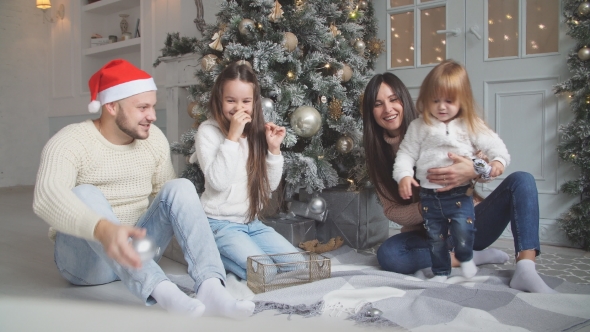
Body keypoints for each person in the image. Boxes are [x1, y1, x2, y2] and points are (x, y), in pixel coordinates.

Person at [33, 59, 256, 319]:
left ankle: (211, 287)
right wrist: (104, 230)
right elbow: (46, 197)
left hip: (139, 253)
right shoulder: (70, 141)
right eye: (142, 108)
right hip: (85, 265)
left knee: (180, 187)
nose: (152, 115)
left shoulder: (153, 140)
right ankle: (162, 290)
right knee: (85, 193)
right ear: (112, 106)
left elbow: (172, 206)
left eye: (152, 106)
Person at [362, 69, 557, 293]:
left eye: (393, 99)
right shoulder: (378, 155)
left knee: (522, 181)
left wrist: (472, 169)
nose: (388, 109)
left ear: (404, 100)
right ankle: (469, 257)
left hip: (468, 219)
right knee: (389, 255)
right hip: (430, 232)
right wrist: (429, 207)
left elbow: (487, 161)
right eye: (378, 104)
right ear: (371, 112)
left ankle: (525, 268)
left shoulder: (436, 124)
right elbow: (391, 211)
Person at [392, 60, 510, 282]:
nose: (441, 107)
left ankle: (466, 258)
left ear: (462, 100)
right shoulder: (419, 126)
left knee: (463, 233)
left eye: (449, 101)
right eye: (435, 100)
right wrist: (404, 176)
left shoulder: (470, 124)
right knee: (436, 239)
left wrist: (498, 162)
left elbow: (495, 145)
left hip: (459, 196)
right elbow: (406, 154)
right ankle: (441, 272)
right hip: (429, 197)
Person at [190, 61, 298, 280]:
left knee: (298, 265)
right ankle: (208, 254)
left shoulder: (256, 133)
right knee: (266, 273)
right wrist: (232, 137)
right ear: (219, 100)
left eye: (246, 101)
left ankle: (240, 256)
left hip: (252, 223)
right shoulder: (208, 132)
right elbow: (218, 182)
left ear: (254, 103)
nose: (239, 108)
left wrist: (274, 150)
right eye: (231, 101)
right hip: (219, 224)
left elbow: (269, 187)